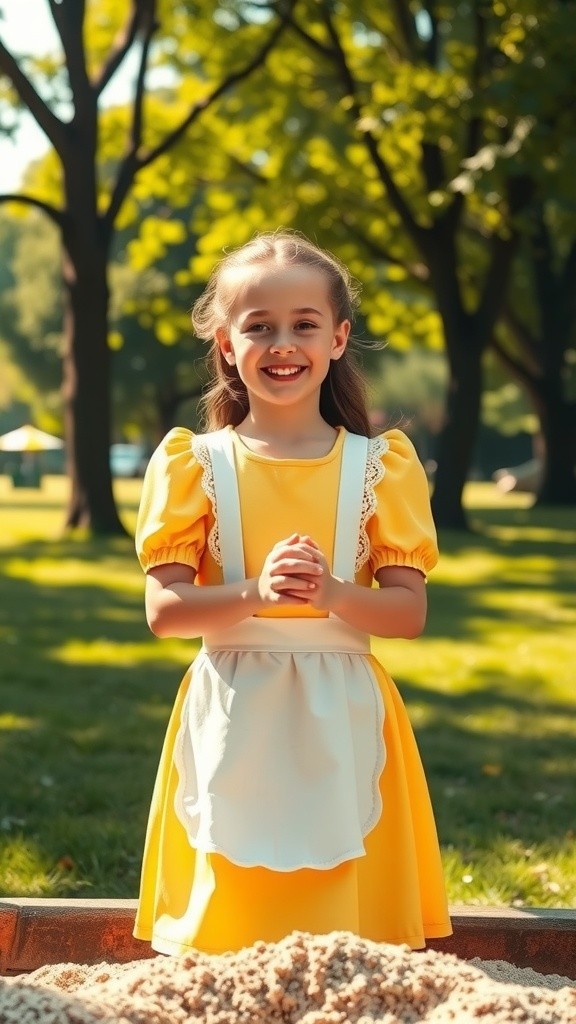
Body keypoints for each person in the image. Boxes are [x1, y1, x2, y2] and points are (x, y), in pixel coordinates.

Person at [133, 230, 452, 956]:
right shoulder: (196, 464)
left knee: (339, 886)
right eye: (259, 326)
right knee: (234, 878)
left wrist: (335, 592)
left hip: (343, 707)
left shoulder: (379, 467)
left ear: (338, 338)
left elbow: (406, 613)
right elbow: (165, 612)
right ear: (225, 343)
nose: (283, 344)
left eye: (304, 325)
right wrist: (255, 591)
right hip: (235, 704)